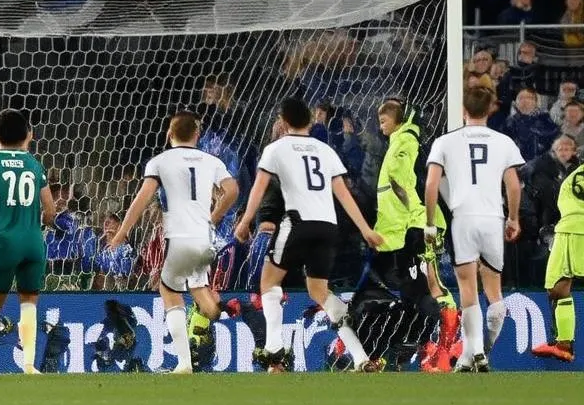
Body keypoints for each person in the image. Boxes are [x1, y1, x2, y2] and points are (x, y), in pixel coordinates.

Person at [234, 97, 385, 373]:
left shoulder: (275, 148)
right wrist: (365, 229)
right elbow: (343, 193)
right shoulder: (324, 150)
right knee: (319, 291)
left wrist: (245, 221)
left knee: (268, 282)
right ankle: (361, 356)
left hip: (298, 221)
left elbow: (259, 187)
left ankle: (274, 347)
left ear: (284, 120)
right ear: (309, 120)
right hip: (328, 227)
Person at [109, 111, 240, 374]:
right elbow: (233, 190)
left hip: (180, 236)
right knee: (200, 293)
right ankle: (228, 309)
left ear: (169, 134)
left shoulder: (159, 162)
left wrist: (123, 231)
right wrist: (214, 216)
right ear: (197, 135)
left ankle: (184, 363)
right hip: (205, 237)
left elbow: (142, 199)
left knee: (169, 291)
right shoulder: (211, 161)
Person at [424, 88, 525, 372]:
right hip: (493, 218)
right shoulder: (503, 142)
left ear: (463, 110)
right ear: (491, 109)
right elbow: (514, 185)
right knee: (494, 290)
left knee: (467, 289)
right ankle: (477, 353)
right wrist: (513, 218)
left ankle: (475, 352)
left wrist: (430, 223)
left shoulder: (445, 141)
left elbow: (432, 185)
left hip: (463, 218)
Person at [0, 110, 57, 375]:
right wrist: (40, 224)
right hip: (31, 241)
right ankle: (29, 365)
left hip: (4, 241)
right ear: (28, 135)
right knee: (29, 301)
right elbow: (50, 210)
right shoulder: (34, 164)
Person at [373, 99, 458, 372]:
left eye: (384, 120)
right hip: (412, 225)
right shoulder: (403, 140)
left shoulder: (405, 141)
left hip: (420, 223)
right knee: (416, 287)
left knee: (431, 284)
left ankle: (445, 350)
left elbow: (401, 181)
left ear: (397, 120)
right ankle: (426, 348)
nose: (380, 125)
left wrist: (416, 215)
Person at [531, 161, 584, 362]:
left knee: (558, 287)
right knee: (556, 288)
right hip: (567, 229)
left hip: (577, 230)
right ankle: (564, 345)